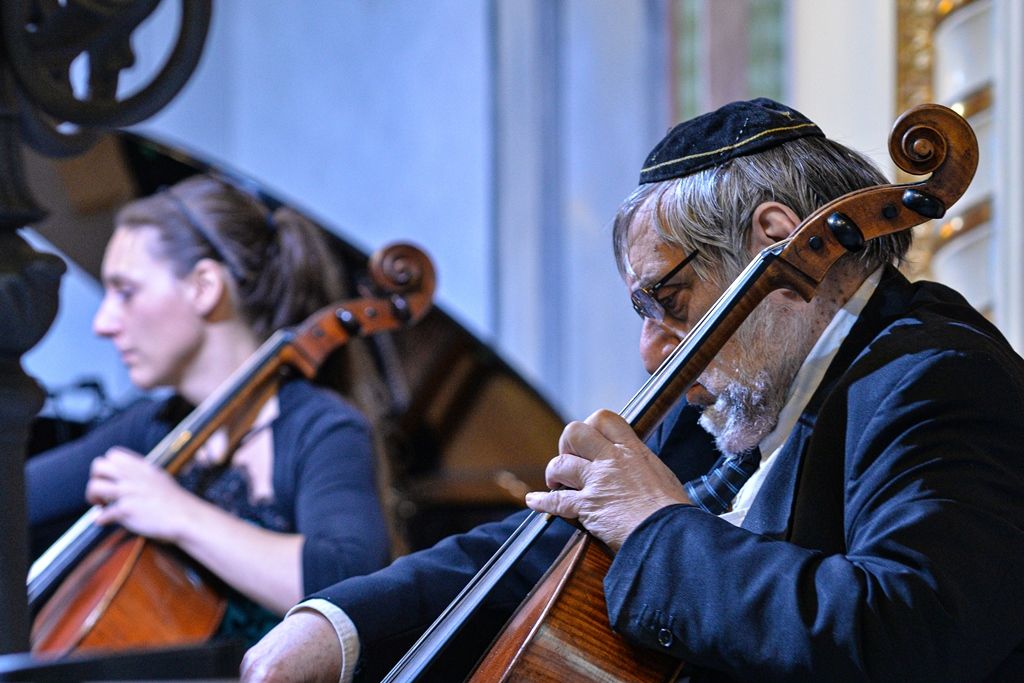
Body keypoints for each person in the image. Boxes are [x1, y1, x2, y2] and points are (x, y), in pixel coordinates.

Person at [241, 98, 1024, 681]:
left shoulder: (936, 375)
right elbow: (548, 545)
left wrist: (656, 523)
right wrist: (337, 623)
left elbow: (912, 634)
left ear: (777, 240)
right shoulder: (760, 393)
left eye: (667, 300)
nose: (652, 350)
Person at [26, 174, 391, 643]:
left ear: (203, 286)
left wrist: (178, 513)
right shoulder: (154, 428)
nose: (103, 322)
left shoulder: (321, 428)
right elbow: (18, 499)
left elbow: (349, 583)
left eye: (126, 291)